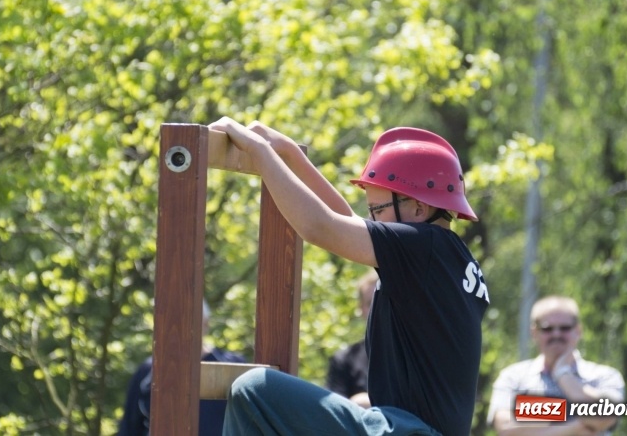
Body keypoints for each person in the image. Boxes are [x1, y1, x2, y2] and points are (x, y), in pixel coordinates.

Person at [209, 118, 489, 436]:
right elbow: (346, 220)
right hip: (406, 428)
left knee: (254, 388)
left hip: (407, 431)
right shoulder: (444, 256)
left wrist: (260, 153)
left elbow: (321, 226)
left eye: (378, 209)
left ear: (419, 208)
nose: (373, 220)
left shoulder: (424, 247)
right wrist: (290, 155)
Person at [487, 295, 625, 435]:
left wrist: (563, 374)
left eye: (564, 328)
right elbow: (506, 428)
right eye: (548, 328)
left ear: (578, 330)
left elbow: (605, 417)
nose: (556, 334)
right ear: (534, 332)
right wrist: (578, 426)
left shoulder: (604, 376)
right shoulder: (514, 377)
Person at [118, 299, 246, 436]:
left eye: (191, 322)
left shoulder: (232, 367)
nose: (182, 329)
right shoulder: (147, 372)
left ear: (206, 325)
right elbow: (129, 428)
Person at [325, 269, 378, 408]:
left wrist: (362, 402)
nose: (377, 308)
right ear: (361, 309)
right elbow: (334, 410)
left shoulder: (413, 355)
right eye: (370, 303)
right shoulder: (344, 359)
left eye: (381, 302)